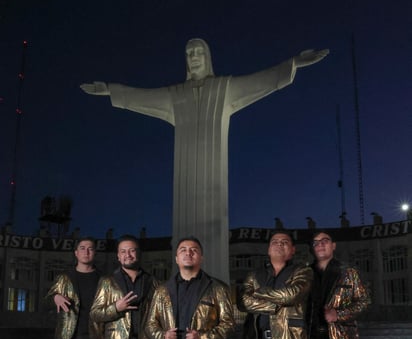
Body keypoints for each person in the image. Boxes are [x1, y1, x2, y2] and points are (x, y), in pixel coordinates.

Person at [80, 39, 328, 283]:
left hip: (213, 183)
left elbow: (261, 80)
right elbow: (142, 97)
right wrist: (112, 90)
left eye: (198, 51)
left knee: (213, 245)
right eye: (189, 53)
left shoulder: (224, 88)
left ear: (208, 57)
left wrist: (292, 63)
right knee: (183, 230)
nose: (194, 56)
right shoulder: (175, 95)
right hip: (184, 185)